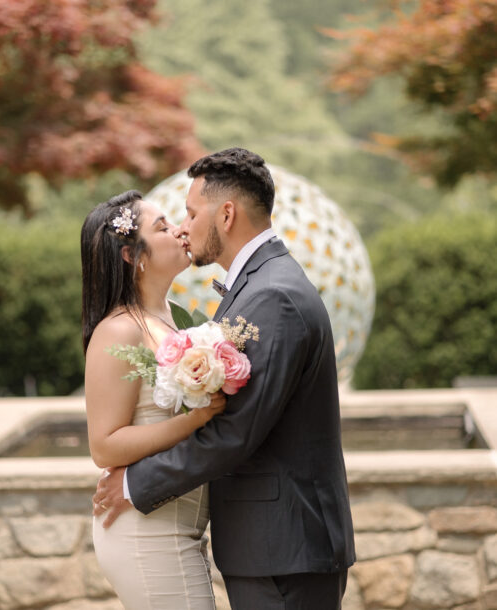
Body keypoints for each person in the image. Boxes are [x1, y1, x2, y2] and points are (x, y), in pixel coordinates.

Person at [93, 148, 356, 610]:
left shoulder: (271, 294)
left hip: (284, 550)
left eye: (192, 213)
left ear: (227, 214)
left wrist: (136, 485)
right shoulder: (259, 287)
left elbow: (236, 429)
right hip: (272, 549)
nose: (184, 226)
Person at [81, 190, 227, 609]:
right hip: (145, 533)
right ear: (133, 256)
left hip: (178, 527)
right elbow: (104, 445)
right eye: (162, 227)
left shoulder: (175, 319)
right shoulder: (119, 330)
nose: (181, 230)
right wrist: (198, 418)